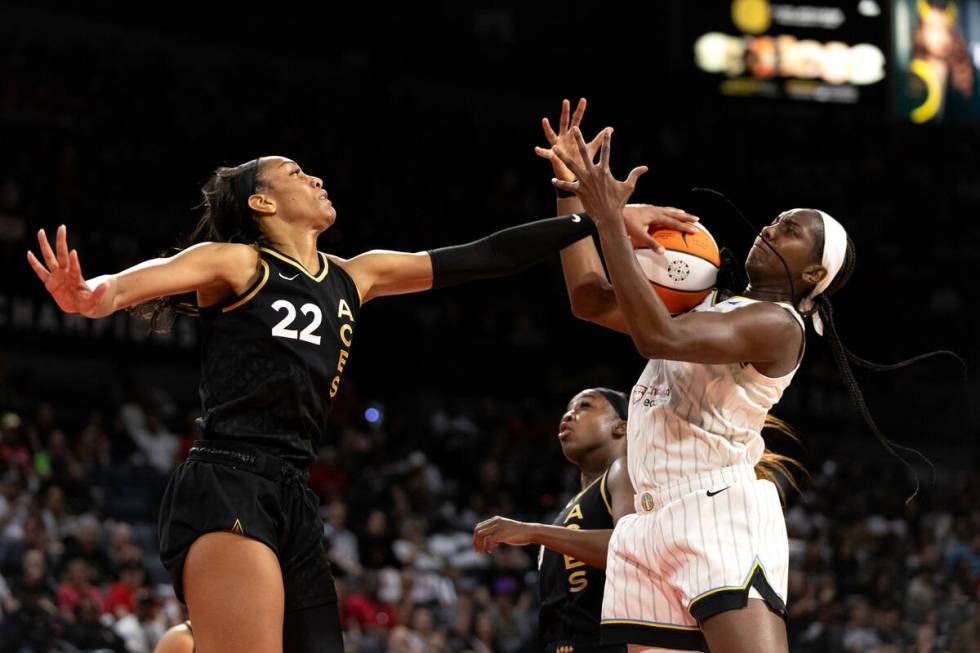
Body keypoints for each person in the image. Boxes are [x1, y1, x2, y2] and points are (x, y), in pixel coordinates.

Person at [26, 154, 689, 653]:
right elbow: (144, 279)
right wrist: (95, 294)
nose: (314, 178)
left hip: (293, 492)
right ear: (261, 201)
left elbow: (481, 256)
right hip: (229, 475)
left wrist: (598, 219)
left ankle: (189, 643)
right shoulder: (234, 263)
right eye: (295, 172)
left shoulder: (356, 274)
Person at [539, 106, 857, 652]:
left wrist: (611, 220)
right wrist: (572, 193)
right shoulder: (705, 303)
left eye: (791, 230)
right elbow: (588, 301)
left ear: (812, 275)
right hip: (648, 519)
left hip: (718, 508)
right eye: (776, 218)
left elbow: (660, 339)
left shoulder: (781, 326)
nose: (770, 227)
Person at [474, 387, 634, 653]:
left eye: (584, 406)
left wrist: (534, 532)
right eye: (568, 408)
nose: (569, 415)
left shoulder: (624, 471)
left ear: (621, 427)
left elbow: (630, 549)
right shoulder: (571, 507)